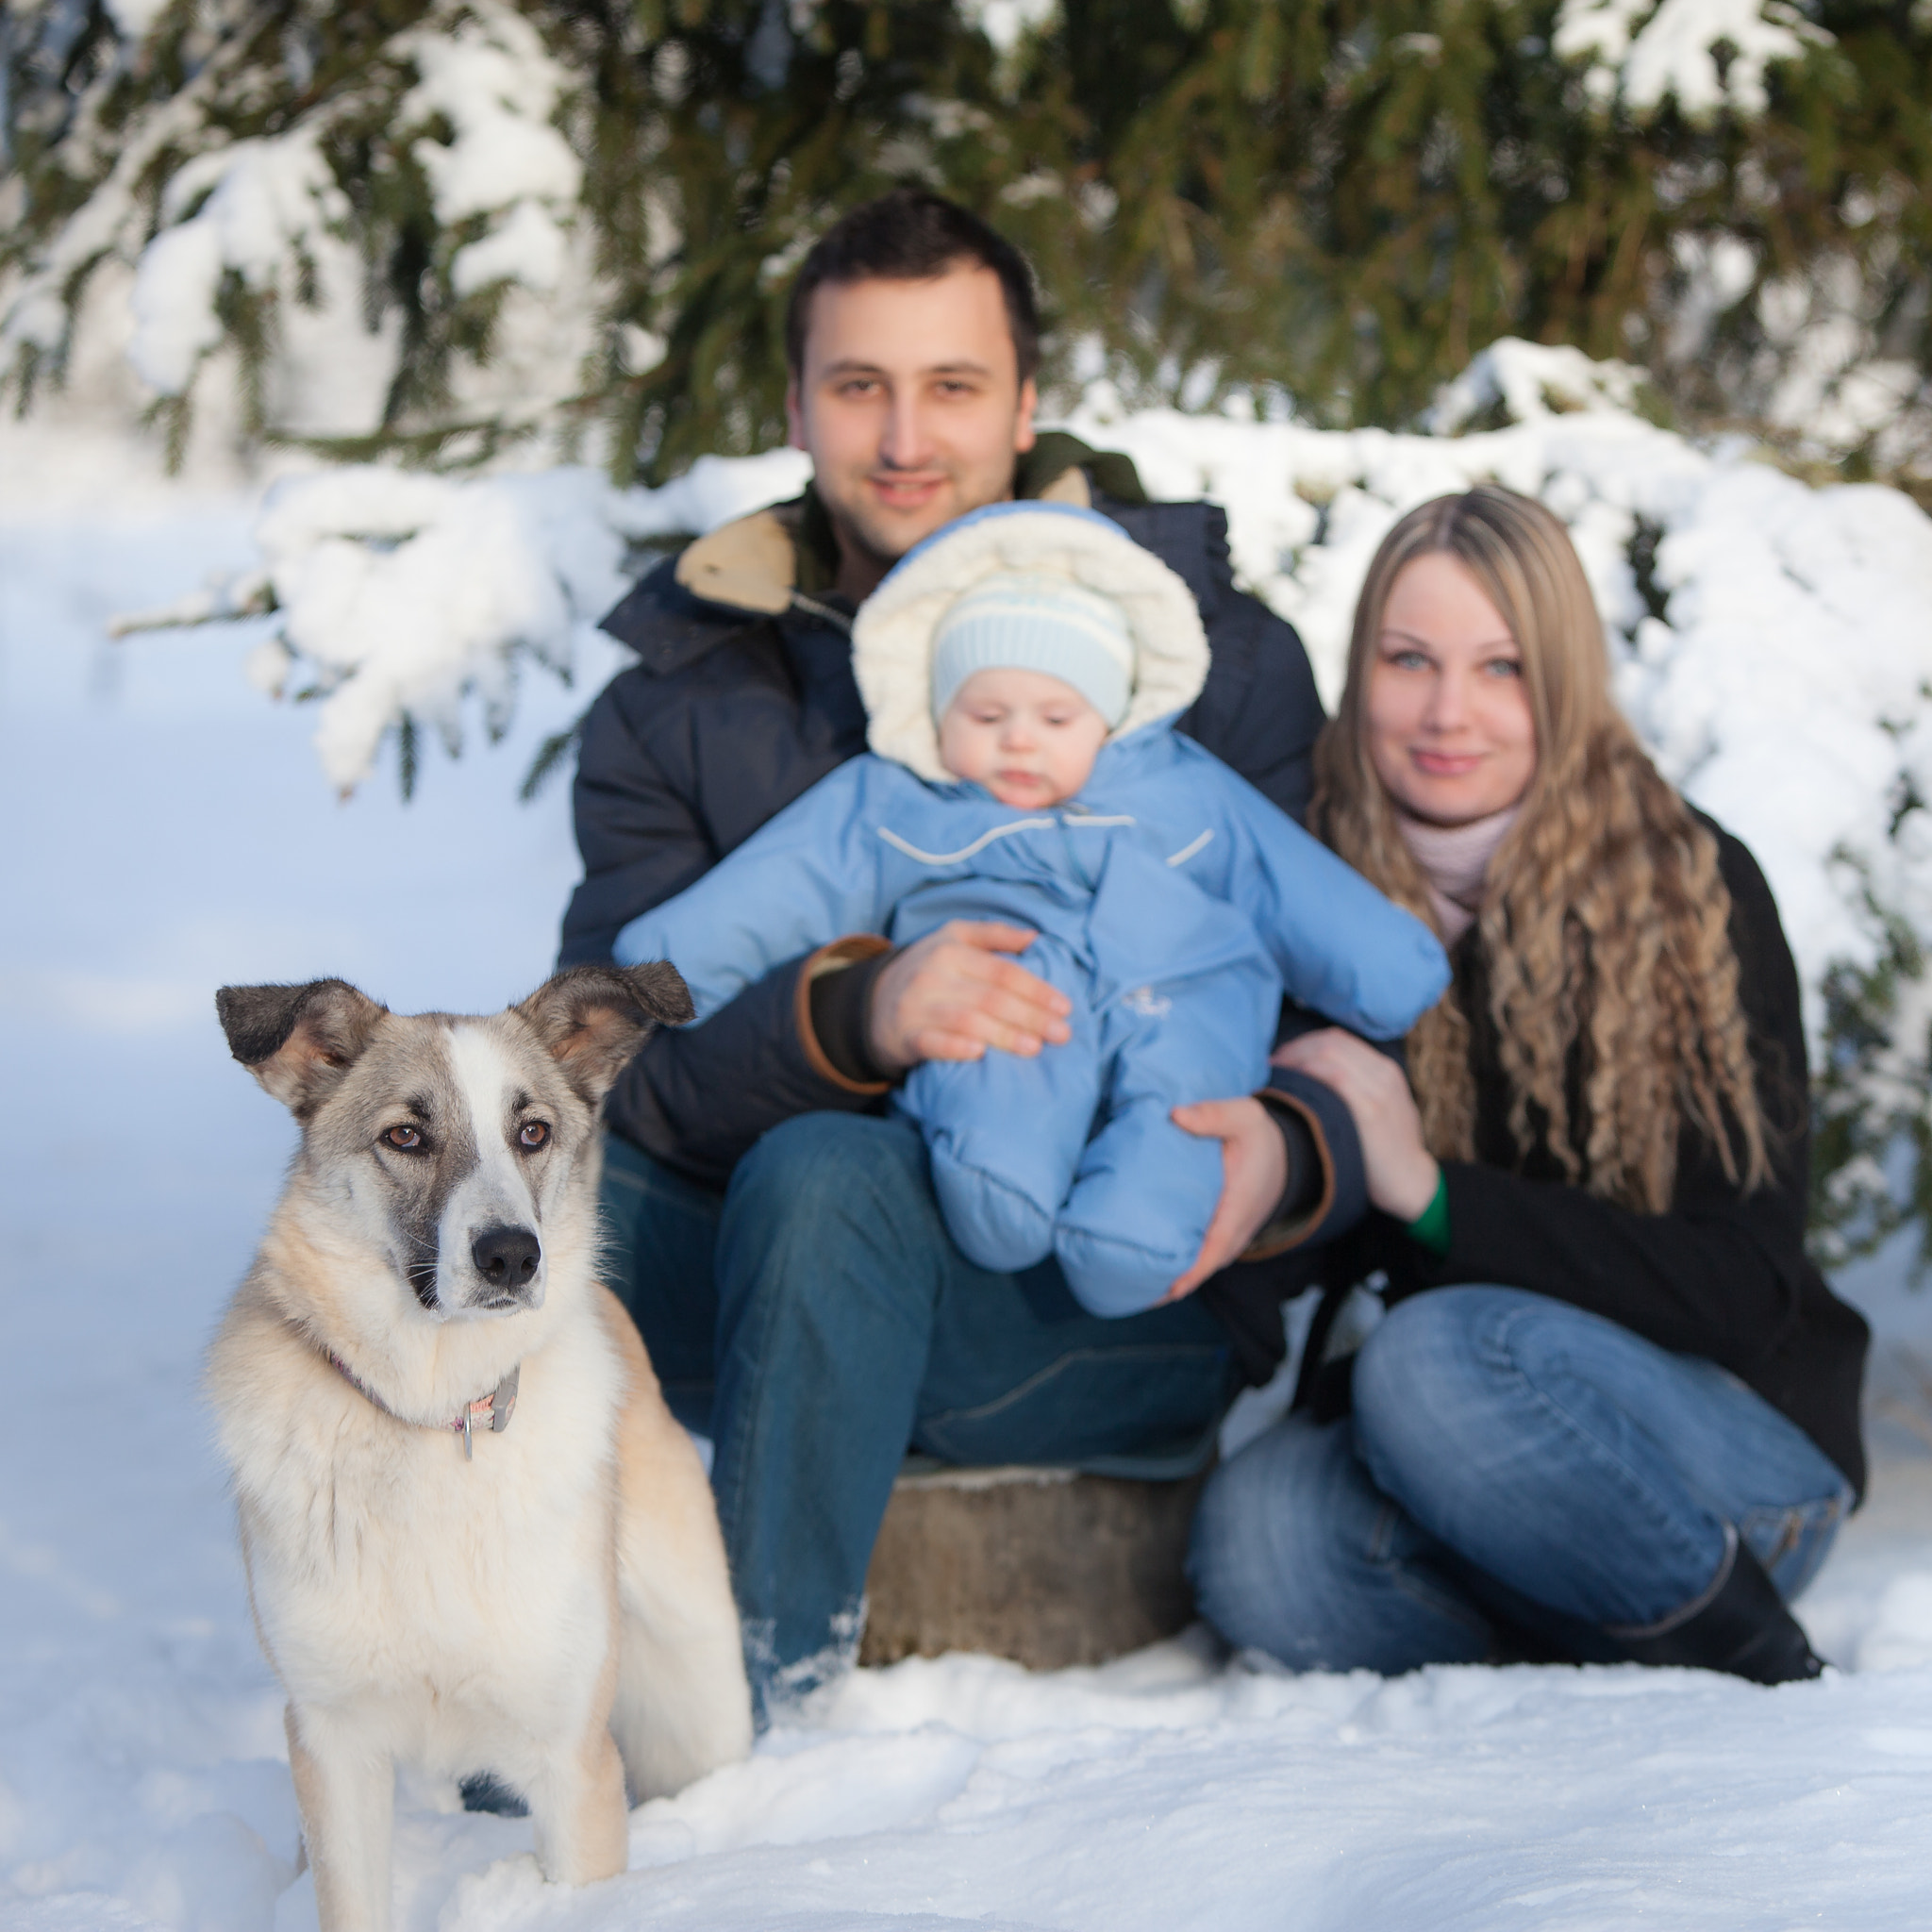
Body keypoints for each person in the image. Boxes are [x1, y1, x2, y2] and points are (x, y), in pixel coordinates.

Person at [560, 188, 1360, 1714]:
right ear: (796, 403)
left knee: (829, 1177)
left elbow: (1334, 1003)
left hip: (1093, 1289)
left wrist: (1291, 1149)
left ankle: (741, 1690)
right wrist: (848, 1016)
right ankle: (475, 1653)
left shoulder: (1209, 656)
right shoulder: (684, 690)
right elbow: (610, 1043)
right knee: (485, 1184)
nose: (903, 437)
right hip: (752, 1281)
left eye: (951, 385)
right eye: (859, 385)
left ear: (1027, 400)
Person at [1186, 484, 1871, 1685]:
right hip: (1457, 1449)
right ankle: (1577, 1623)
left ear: (1561, 680)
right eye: (1409, 660)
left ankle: (1743, 1644)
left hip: (1719, 1451)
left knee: (1437, 1357)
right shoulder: (1311, 874)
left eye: (1500, 666)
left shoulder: (1689, 890)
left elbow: (1745, 1288)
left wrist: (1425, 1188)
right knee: (1258, 1545)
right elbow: (1296, 1252)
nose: (1447, 712)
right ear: (1363, 667)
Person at [611, 502, 1446, 1315]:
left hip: (1182, 987)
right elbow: (795, 879)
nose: (1019, 740)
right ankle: (998, 1167)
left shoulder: (1188, 790)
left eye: (1056, 716)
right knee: (997, 1072)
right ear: (939, 713)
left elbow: (1285, 878)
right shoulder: (900, 801)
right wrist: (669, 964)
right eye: (986, 713)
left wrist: (1390, 966)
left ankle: (1142, 1225)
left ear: (1110, 715)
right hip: (1012, 1001)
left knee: (1186, 1097)